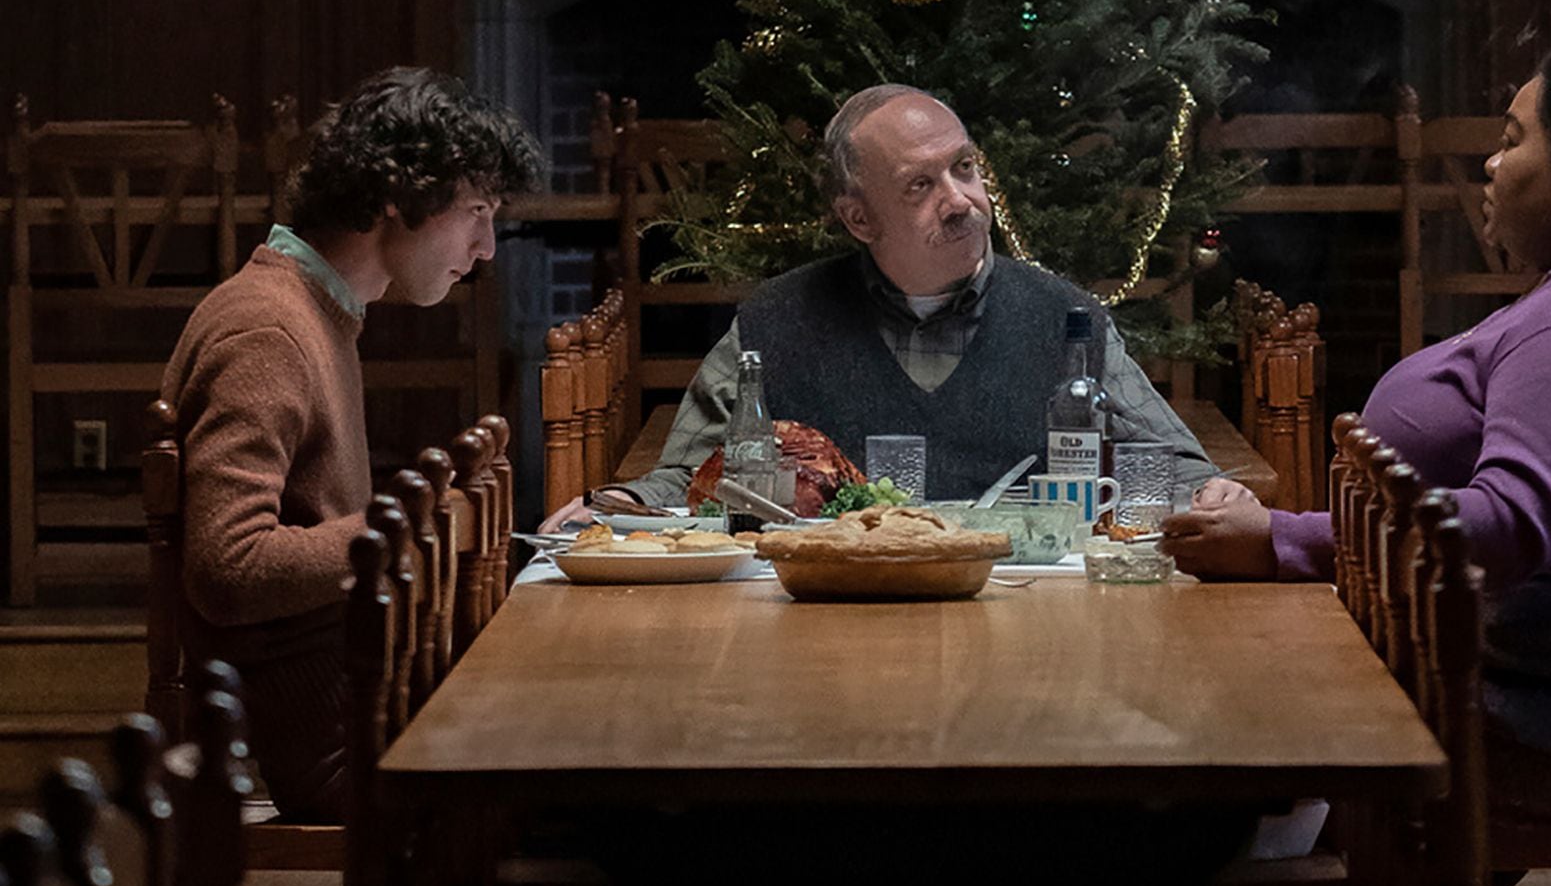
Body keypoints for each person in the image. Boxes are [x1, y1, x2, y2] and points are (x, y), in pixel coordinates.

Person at [1161, 33, 1551, 816]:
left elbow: (1505, 527)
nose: (1492, 164)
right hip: (1484, 665)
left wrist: (1283, 540)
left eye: (1514, 140)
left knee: (1169, 713)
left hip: (1529, 705)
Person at [542, 83, 1210, 528]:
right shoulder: (777, 322)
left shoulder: (1067, 319)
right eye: (922, 184)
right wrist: (616, 505)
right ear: (859, 219)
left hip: (1026, 625)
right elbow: (690, 476)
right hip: (827, 631)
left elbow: (1177, 468)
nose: (961, 200)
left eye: (965, 168)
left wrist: (1212, 496)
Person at [161, 68, 543, 822]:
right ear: (399, 199)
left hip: (361, 701)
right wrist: (409, 529)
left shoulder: (315, 313)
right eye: (475, 211)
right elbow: (226, 566)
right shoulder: (268, 330)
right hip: (329, 750)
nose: (488, 247)